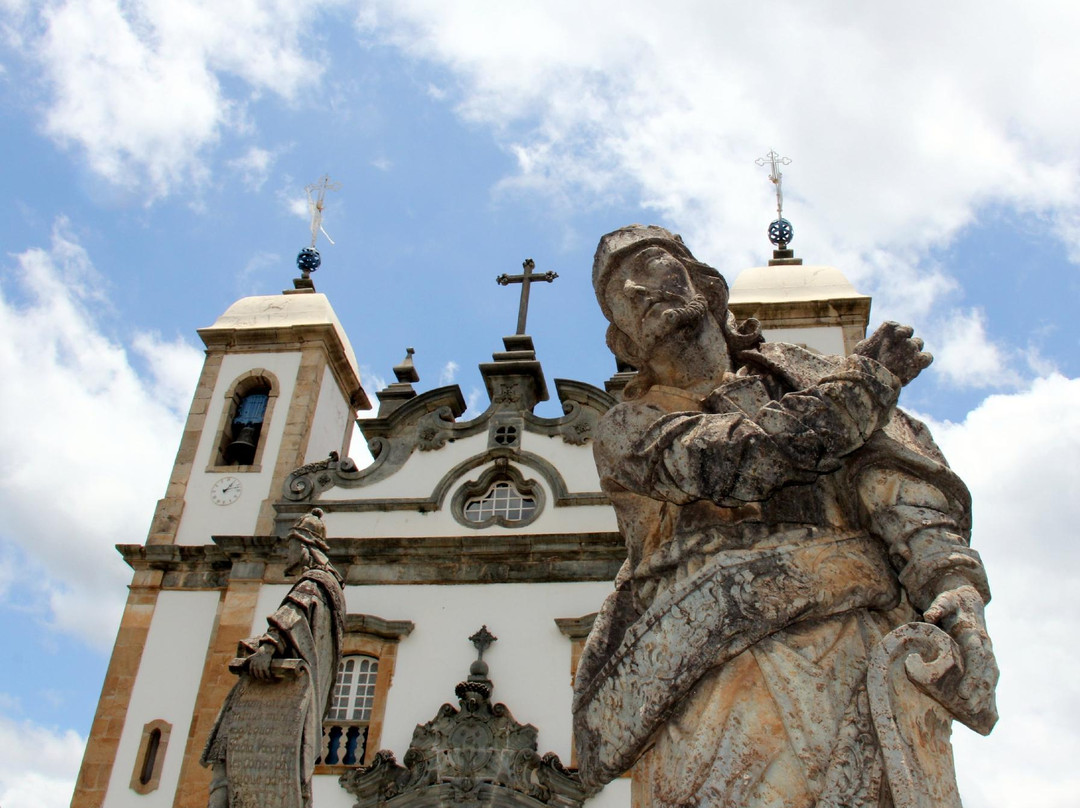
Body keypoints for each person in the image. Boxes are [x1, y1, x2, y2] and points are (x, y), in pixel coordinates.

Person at [573, 225, 997, 807]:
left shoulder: (804, 370)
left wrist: (953, 584)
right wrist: (867, 383)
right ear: (621, 336)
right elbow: (740, 459)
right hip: (712, 665)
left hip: (858, 640)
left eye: (649, 263)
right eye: (617, 293)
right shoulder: (627, 428)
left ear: (704, 282)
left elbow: (893, 482)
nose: (636, 288)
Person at [202, 508, 345, 808]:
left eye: (291, 545)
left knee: (226, 760)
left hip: (279, 700)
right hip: (286, 701)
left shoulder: (313, 582)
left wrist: (267, 648)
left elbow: (293, 614)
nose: (286, 552)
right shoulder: (328, 585)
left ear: (305, 547)